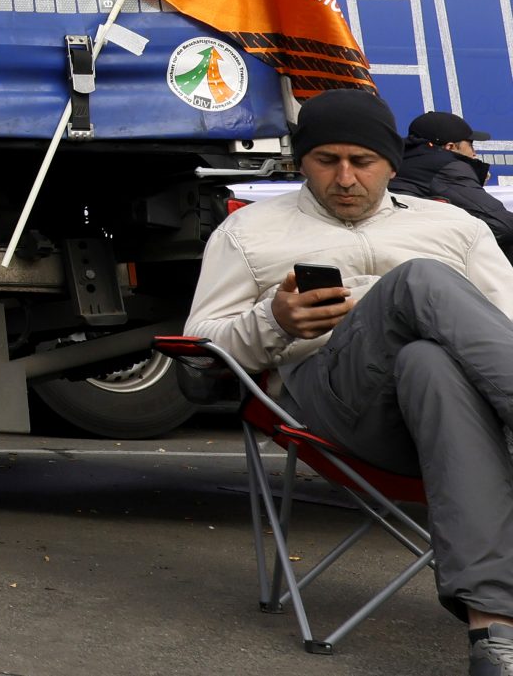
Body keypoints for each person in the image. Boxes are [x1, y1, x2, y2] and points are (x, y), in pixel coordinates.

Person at [185, 88, 513, 675]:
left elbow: (505, 323)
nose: (344, 178)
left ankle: (495, 634)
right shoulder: (249, 232)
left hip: (450, 415)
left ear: (392, 162)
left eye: (362, 161)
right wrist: (274, 322)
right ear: (300, 161)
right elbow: (200, 348)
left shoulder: (454, 225)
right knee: (418, 280)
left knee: (428, 362)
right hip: (334, 404)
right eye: (325, 160)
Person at [393, 111, 512, 258]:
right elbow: (503, 225)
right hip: (432, 257)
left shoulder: (400, 163)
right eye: (470, 145)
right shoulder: (448, 167)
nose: (474, 153)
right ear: (450, 147)